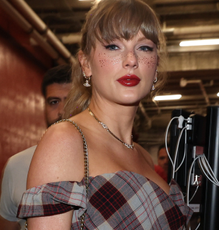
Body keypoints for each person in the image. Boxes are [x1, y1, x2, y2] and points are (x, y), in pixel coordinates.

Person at [18, 0, 193, 229]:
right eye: (113, 46)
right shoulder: (65, 140)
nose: (131, 60)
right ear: (86, 64)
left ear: (156, 67)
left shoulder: (143, 157)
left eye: (144, 48)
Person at [0, 64, 72, 230]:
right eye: (54, 102)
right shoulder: (17, 166)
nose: (61, 111)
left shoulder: (107, 161)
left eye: (70, 101)